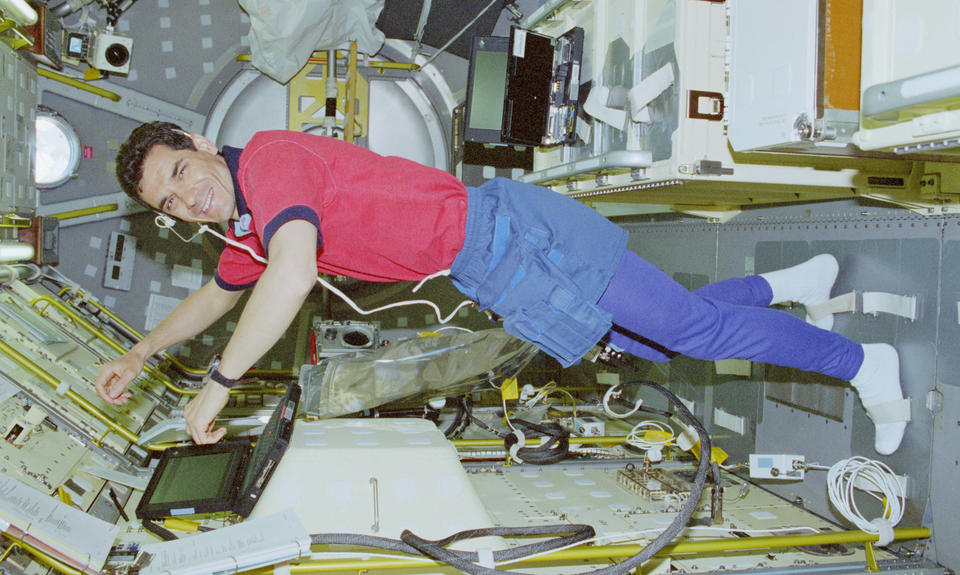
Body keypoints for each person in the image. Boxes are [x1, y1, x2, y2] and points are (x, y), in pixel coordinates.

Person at [95, 123, 910, 454]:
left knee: (690, 334)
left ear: (201, 145)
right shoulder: (243, 224)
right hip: (493, 269)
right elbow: (219, 295)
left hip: (520, 239)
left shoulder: (267, 166)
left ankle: (861, 361)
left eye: (178, 172)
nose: (183, 197)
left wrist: (220, 382)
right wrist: (140, 350)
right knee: (652, 338)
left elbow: (295, 269)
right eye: (166, 202)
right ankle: (790, 282)